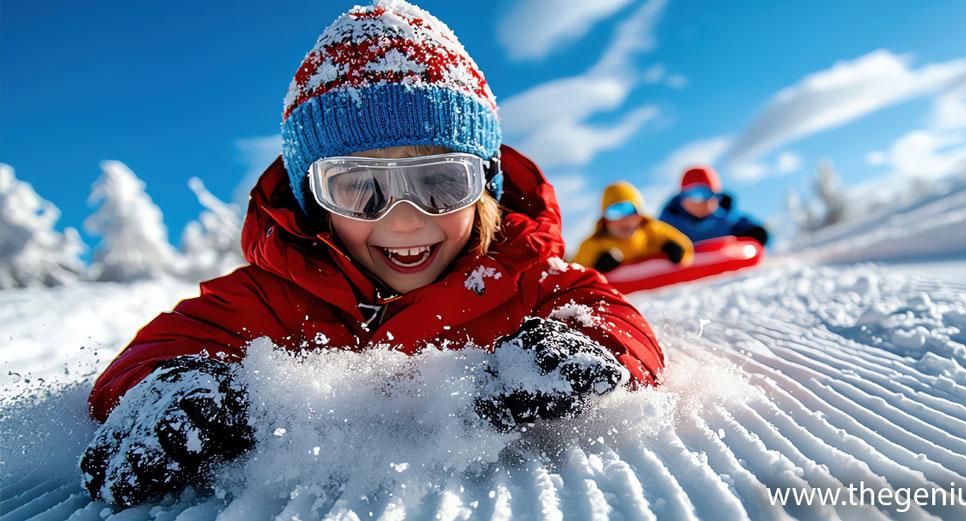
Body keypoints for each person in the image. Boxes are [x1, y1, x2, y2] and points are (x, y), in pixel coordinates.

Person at [80, 1, 664, 508]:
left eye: (441, 181)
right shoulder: (277, 295)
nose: (405, 217)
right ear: (315, 201)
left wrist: (587, 350)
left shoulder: (523, 274)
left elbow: (614, 318)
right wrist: (172, 389)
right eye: (358, 187)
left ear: (486, 187)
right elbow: (153, 352)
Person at [571, 181, 693, 273]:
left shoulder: (651, 231)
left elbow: (686, 246)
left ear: (640, 216)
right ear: (606, 220)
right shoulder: (594, 244)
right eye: (615, 212)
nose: (624, 220)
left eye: (630, 211)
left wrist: (676, 249)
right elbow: (575, 272)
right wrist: (595, 268)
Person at [659, 166, 769, 246]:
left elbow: (749, 226)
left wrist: (756, 233)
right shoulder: (666, 226)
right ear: (682, 198)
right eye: (697, 194)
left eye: (709, 194)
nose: (703, 201)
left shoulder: (728, 219)